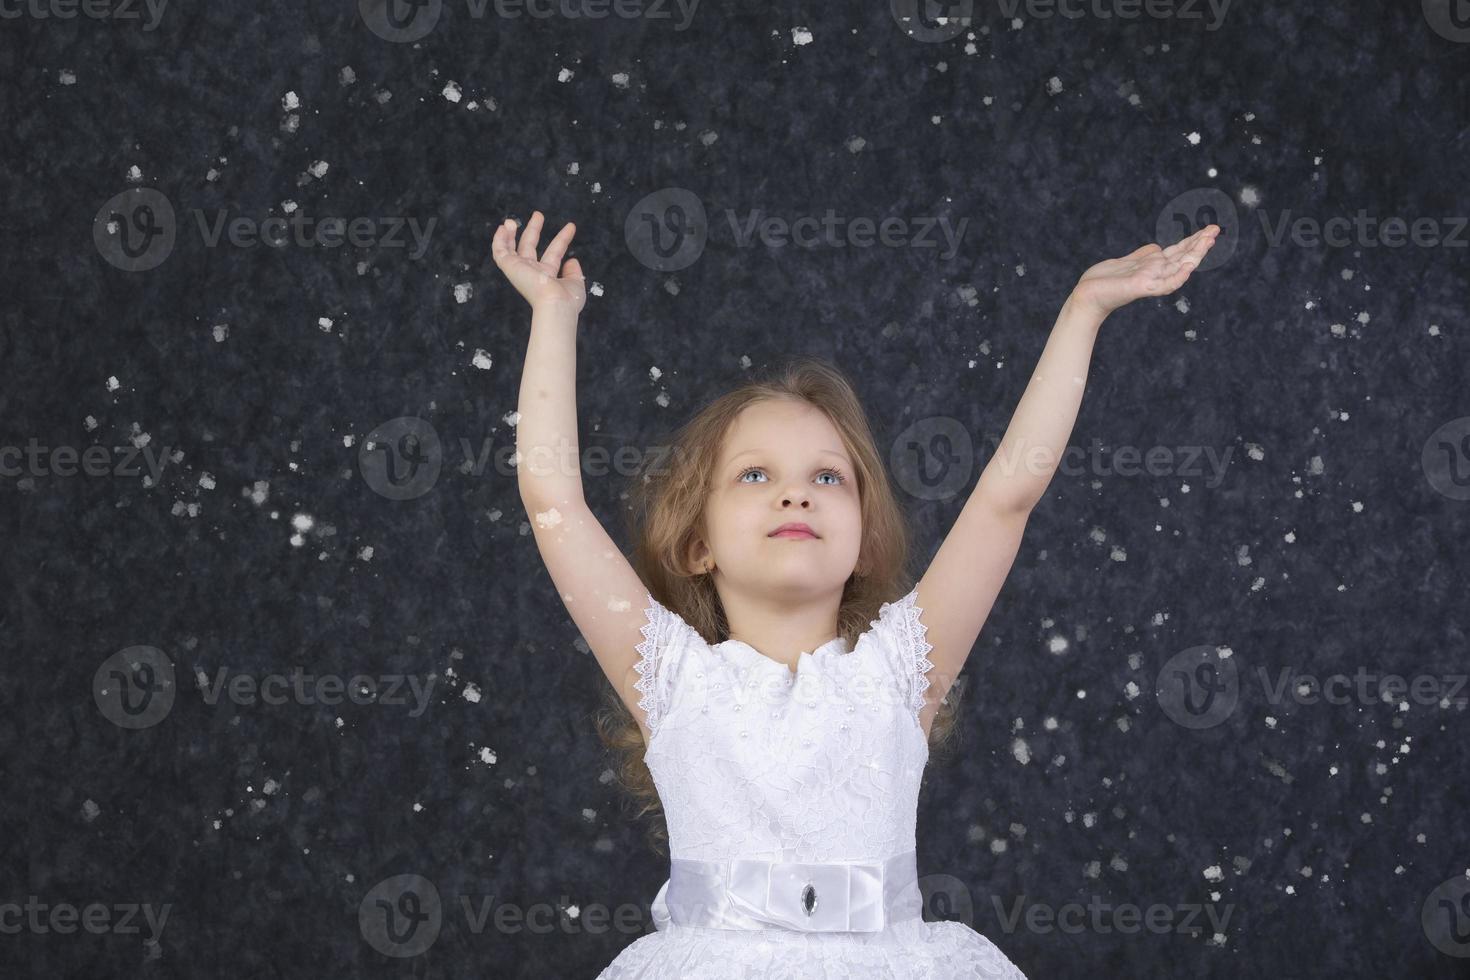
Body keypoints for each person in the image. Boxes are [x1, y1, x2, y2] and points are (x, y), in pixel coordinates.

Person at [494, 209, 1219, 978]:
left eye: (828, 478)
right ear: (697, 544)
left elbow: (1008, 494)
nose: (795, 496)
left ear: (865, 539)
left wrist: (1084, 311)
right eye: (755, 475)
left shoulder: (903, 669)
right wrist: (552, 315)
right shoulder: (671, 679)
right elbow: (554, 502)